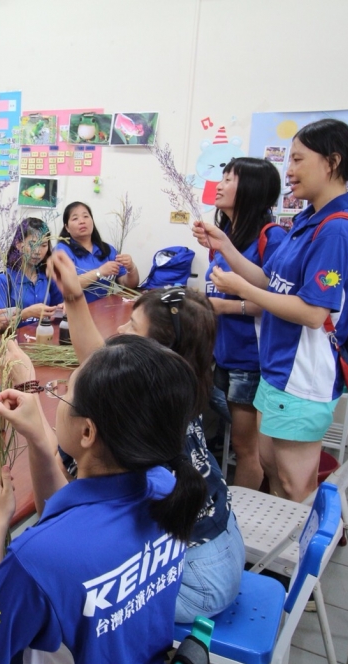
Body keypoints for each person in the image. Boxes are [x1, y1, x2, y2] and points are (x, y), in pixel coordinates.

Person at [0, 335, 206, 664]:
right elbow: (71, 525)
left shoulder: (37, 557)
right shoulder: (167, 488)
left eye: (65, 393)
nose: (58, 399)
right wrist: (39, 440)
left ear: (87, 432)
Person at [50, 250, 242, 623]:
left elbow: (64, 491)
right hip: (222, 550)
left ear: (157, 353)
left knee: (64, 588)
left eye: (132, 327)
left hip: (197, 582)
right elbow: (102, 365)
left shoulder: (136, 422)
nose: (120, 330)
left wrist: (40, 436)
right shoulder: (176, 388)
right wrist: (73, 296)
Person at [194, 118, 348, 502]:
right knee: (272, 471)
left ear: (332, 162)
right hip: (276, 368)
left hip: (303, 376)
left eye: (297, 159)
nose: (288, 171)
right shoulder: (307, 219)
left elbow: (312, 313)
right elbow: (269, 281)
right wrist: (225, 245)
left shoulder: (338, 229)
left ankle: (304, 542)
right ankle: (277, 539)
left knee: (295, 487)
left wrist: (240, 291)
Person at [205, 157, 284, 489]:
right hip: (224, 353)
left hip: (250, 359)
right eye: (221, 177)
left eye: (229, 179)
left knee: (246, 448)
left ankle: (243, 512)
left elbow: (278, 304)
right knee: (235, 439)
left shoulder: (271, 239)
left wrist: (226, 307)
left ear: (252, 189)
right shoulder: (227, 235)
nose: (220, 185)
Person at [52, 201, 139, 302]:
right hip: (72, 310)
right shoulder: (61, 251)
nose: (82, 221)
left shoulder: (107, 250)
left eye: (86, 216)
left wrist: (131, 268)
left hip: (104, 308)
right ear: (67, 227)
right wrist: (99, 272)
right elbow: (68, 287)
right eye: (75, 218)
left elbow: (127, 285)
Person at [0, 217, 63, 326]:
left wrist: (63, 307)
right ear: (18, 244)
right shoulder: (3, 281)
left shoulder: (48, 277)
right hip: (15, 337)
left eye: (44, 245)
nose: (38, 251)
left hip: (44, 334)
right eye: (32, 244)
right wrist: (25, 314)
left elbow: (59, 307)